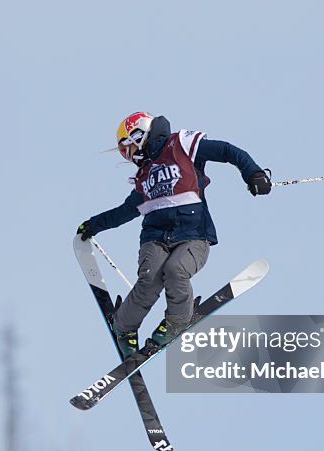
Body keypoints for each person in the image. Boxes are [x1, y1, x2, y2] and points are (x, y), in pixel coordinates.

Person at [76, 112, 271, 357]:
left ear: (141, 134)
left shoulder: (181, 145)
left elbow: (227, 151)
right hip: (154, 238)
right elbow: (125, 212)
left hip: (194, 235)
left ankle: (177, 321)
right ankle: (124, 329)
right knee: (149, 280)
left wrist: (253, 173)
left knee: (176, 270)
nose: (130, 154)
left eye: (129, 146)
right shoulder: (144, 177)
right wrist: (94, 225)